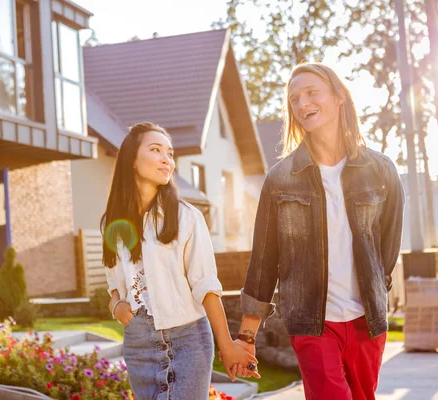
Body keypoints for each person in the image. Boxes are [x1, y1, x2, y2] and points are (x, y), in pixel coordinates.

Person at [231, 63, 405, 399]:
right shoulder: (280, 179)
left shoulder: (381, 171)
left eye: (312, 93)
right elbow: (264, 260)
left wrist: (375, 294)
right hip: (311, 323)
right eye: (294, 99)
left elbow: (387, 248)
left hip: (366, 322)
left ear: (339, 96)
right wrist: (247, 336)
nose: (302, 103)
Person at [102, 122, 259, 400]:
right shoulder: (112, 225)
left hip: (189, 341)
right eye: (156, 150)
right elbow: (114, 284)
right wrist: (116, 307)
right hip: (138, 345)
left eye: (170, 153)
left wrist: (226, 343)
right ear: (132, 161)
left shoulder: (187, 217)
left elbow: (206, 285)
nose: (167, 160)